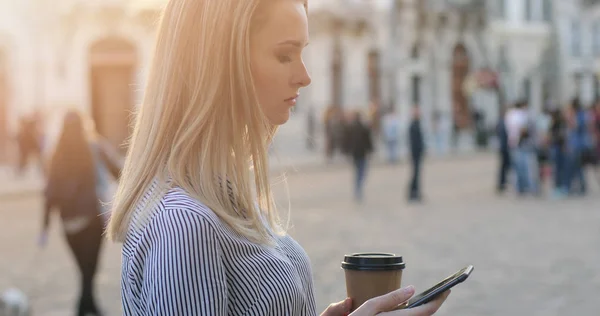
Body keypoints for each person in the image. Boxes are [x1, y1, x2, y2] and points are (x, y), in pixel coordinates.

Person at [106, 0, 450, 315]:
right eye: (285, 55)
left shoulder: (223, 193)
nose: (304, 76)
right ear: (221, 62)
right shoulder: (184, 223)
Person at [40, 110, 122, 316]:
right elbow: (119, 172)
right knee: (89, 269)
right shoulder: (94, 146)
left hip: (68, 225)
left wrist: (45, 228)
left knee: (84, 270)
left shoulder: (56, 155)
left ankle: (89, 306)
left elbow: (49, 193)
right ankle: (83, 307)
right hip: (92, 221)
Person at [345, 111, 374, 202]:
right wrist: (370, 150)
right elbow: (368, 141)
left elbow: (347, 141)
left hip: (355, 153)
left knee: (358, 172)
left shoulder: (351, 128)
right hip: (362, 153)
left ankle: (357, 188)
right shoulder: (363, 128)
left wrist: (347, 151)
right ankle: (358, 188)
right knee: (361, 172)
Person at [408, 105, 425, 202]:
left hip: (417, 153)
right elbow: (414, 141)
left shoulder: (417, 124)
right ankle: (413, 193)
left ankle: (416, 192)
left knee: (417, 174)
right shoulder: (413, 125)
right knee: (415, 174)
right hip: (415, 153)